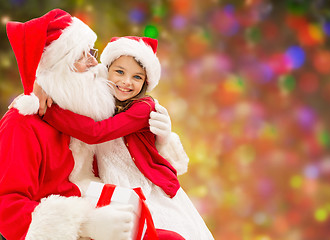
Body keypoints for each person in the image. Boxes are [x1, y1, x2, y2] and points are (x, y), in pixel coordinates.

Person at [0, 9, 186, 240]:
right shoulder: (22, 123)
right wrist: (84, 226)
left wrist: (163, 140)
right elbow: (7, 209)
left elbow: (122, 149)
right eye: (82, 55)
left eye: (92, 52)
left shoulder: (83, 112)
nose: (94, 63)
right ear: (59, 65)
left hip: (109, 206)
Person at [37, 36, 214, 240]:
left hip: (147, 187)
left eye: (137, 77)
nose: (126, 82)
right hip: (114, 187)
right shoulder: (100, 99)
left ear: (145, 83)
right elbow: (74, 93)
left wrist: (49, 111)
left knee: (165, 231)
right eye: (119, 72)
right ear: (106, 70)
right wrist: (45, 88)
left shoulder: (143, 108)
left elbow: (97, 133)